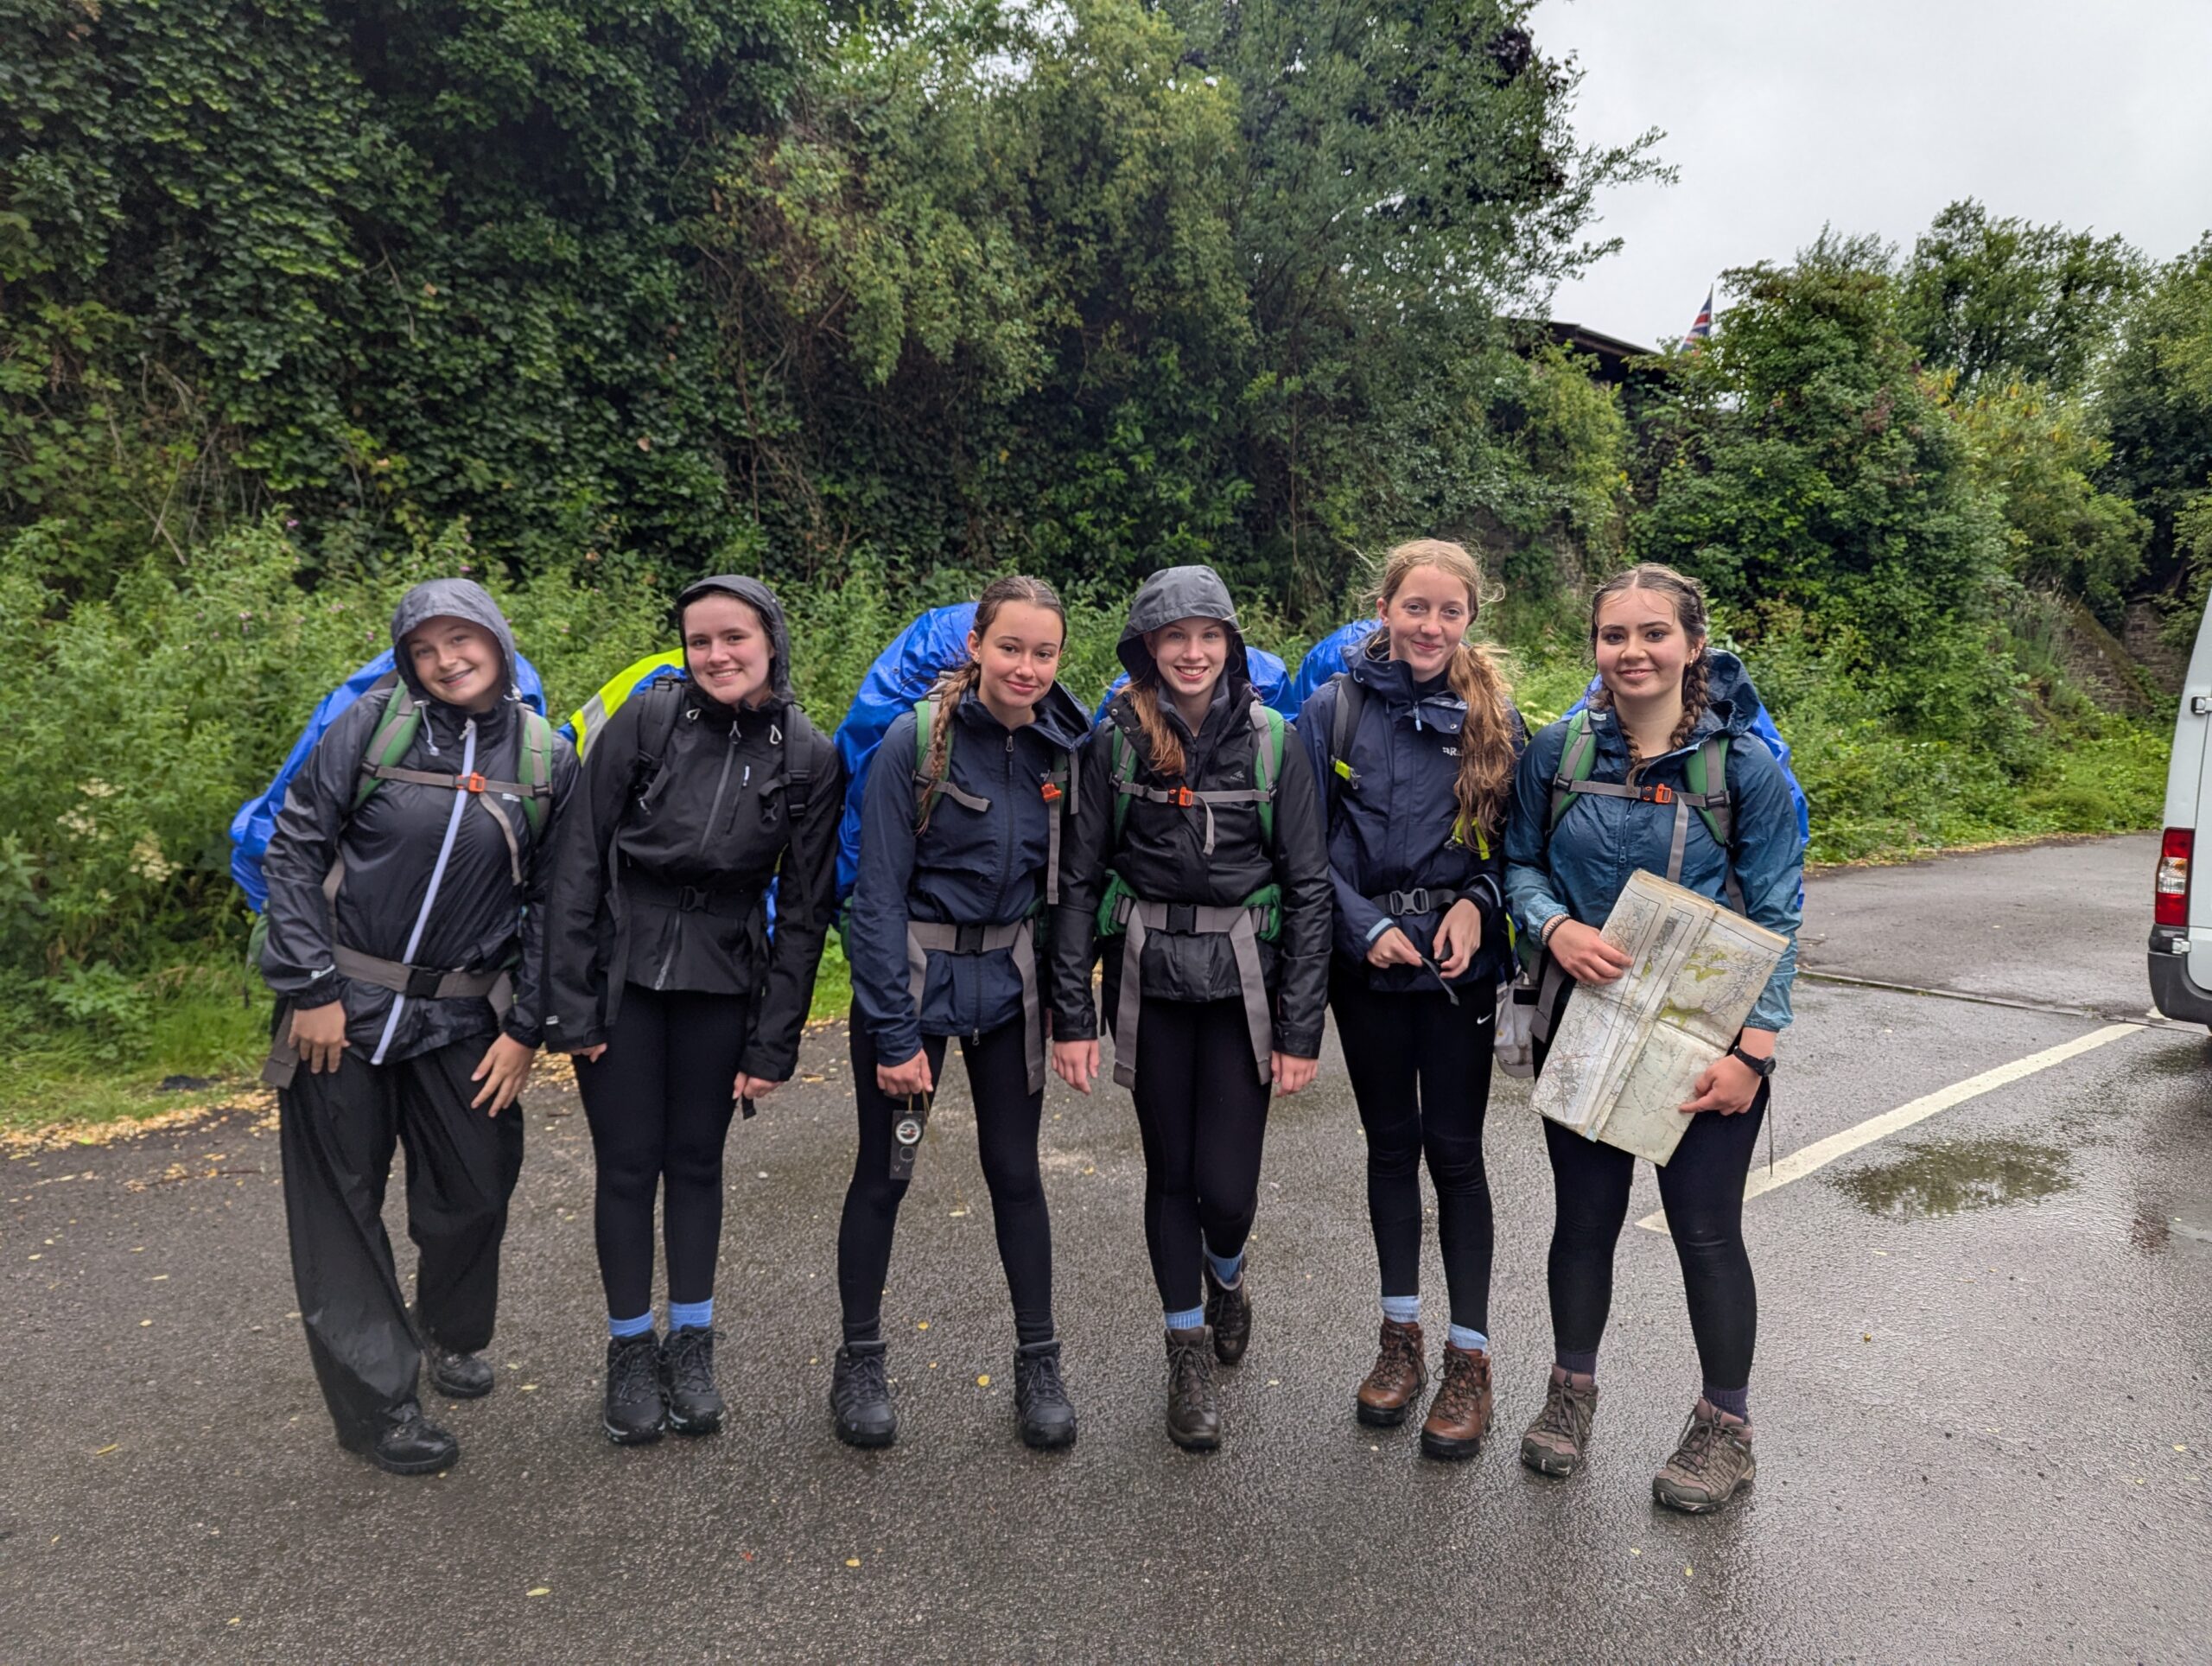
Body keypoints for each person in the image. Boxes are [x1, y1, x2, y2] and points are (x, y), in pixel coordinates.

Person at [261, 578, 577, 1475]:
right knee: (340, 1208)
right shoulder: (369, 727)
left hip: (467, 1012)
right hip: (340, 1008)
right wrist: (310, 987)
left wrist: (526, 1027)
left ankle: (449, 1330)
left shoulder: (548, 759)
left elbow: (558, 904)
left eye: (461, 639)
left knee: (476, 1187)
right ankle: (379, 1406)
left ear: (498, 641)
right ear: (406, 659)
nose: (446, 660)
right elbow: (294, 850)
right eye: (425, 648)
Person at [1503, 563, 1802, 1512]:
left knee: (1705, 1231)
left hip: (1705, 1038)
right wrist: (1553, 924)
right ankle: (1570, 1394)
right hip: (1585, 1023)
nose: (1632, 651)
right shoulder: (1556, 752)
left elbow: (1779, 915)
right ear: (1594, 645)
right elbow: (1517, 862)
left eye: (1653, 633)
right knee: (1583, 1220)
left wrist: (1751, 1056)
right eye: (1614, 634)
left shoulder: (1743, 769)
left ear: (1693, 644)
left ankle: (1726, 1430)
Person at [543, 575, 840, 1447]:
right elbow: (578, 861)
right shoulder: (646, 720)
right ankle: (630, 1350)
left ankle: (694, 1346)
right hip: (623, 974)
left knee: (698, 1163)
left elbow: (807, 911)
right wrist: (571, 1004)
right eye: (699, 640)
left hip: (723, 975)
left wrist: (774, 1040)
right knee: (628, 1165)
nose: (716, 655)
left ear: (771, 640)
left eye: (733, 637)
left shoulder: (808, 755)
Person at [1050, 565, 1331, 1452]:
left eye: (1209, 635)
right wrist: (1071, 1013)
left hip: (1245, 984)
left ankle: (1228, 1277)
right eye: (1175, 636)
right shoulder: (1114, 743)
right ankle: (1185, 1351)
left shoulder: (1277, 742)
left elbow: (1310, 889)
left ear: (1231, 645)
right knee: (1171, 1174)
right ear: (1147, 648)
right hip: (1149, 981)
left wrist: (1301, 1030)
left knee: (1229, 1189)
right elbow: (1077, 880)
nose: (1193, 652)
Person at [831, 576, 1091, 1451]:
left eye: (1044, 653)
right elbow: (874, 896)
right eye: (1010, 647)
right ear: (975, 646)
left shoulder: (1065, 749)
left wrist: (1067, 1006)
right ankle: (859, 1360)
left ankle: (1039, 1362)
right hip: (913, 985)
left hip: (1011, 988)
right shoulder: (915, 742)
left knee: (1016, 1172)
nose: (1026, 667)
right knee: (886, 1174)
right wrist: (894, 1034)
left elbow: (1069, 892)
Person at [1297, 539, 1523, 1460]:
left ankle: (1470, 1356)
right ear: (1383, 609)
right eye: (1415, 607)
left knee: (1456, 1154)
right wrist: (1360, 928)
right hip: (1369, 970)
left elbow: (1517, 845)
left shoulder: (1495, 716)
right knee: (1390, 1147)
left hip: (1457, 970)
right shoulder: (1333, 709)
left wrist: (1479, 903)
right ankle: (1400, 1336)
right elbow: (1301, 848)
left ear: (1471, 617)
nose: (1431, 626)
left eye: (1449, 611)